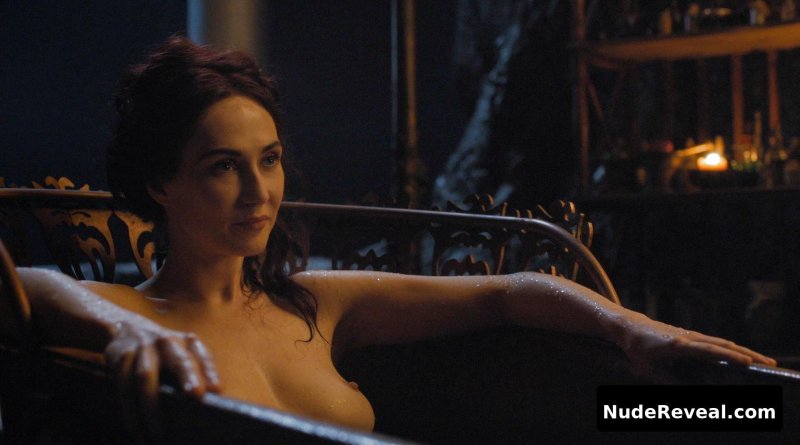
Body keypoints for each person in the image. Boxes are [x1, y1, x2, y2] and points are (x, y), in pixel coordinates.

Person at [13, 36, 775, 434]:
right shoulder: (130, 314)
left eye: (269, 160)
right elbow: (34, 283)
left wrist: (634, 328)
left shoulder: (312, 301)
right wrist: (123, 328)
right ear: (159, 182)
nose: (259, 192)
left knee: (734, 415)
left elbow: (508, 292)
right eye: (222, 167)